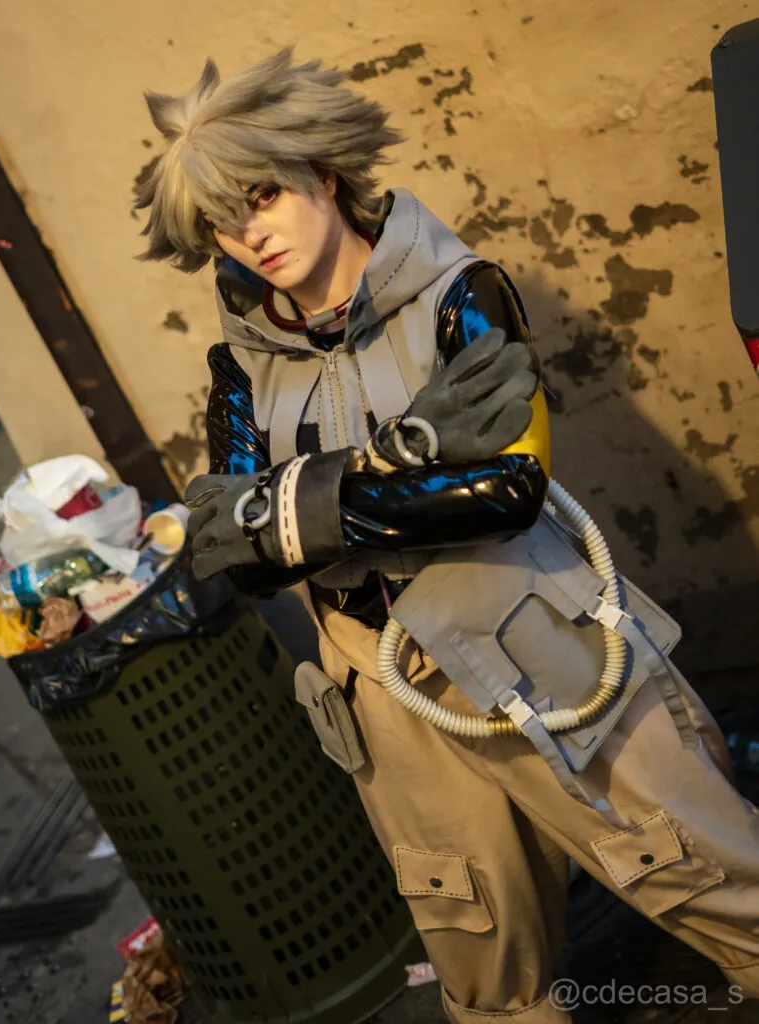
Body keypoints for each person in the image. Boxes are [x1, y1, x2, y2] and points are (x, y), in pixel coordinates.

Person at [135, 48, 759, 1023]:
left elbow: (505, 487)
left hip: (527, 639)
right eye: (221, 218)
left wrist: (296, 508)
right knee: (482, 962)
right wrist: (404, 460)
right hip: (377, 685)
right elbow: (234, 547)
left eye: (262, 194)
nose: (250, 233)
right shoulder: (241, 368)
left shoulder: (461, 293)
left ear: (323, 173)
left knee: (705, 876)